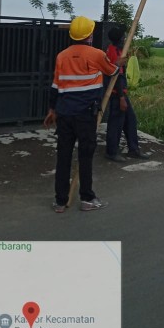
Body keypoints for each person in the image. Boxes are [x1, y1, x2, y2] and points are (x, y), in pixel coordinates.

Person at [44, 16, 124, 213]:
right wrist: (119, 63)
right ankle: (87, 199)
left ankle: (60, 201)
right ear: (89, 35)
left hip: (64, 114)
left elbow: (55, 87)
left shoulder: (62, 56)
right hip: (85, 115)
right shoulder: (96, 54)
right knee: (85, 156)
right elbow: (112, 72)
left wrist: (52, 110)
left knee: (63, 156)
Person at [105, 26, 150, 162]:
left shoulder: (117, 50)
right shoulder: (114, 52)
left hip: (120, 93)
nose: (125, 39)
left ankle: (133, 150)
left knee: (130, 120)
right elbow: (117, 77)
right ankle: (112, 152)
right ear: (119, 39)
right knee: (116, 124)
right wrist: (121, 98)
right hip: (117, 94)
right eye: (123, 37)